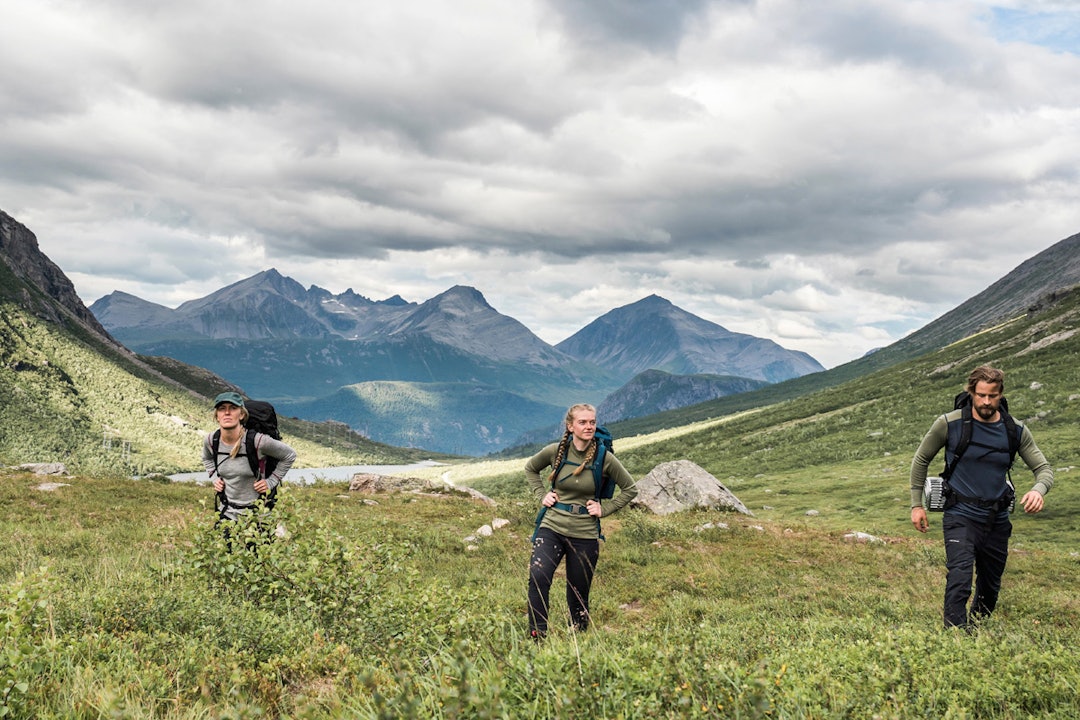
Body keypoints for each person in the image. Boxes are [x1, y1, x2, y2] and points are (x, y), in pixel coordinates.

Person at [909, 365, 1053, 630]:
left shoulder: (1015, 430)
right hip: (960, 515)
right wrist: (916, 504)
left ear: (1001, 394)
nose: (986, 402)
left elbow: (1043, 469)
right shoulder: (949, 424)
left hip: (997, 519)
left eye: (993, 396)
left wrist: (1037, 490)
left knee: (990, 585)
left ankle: (976, 633)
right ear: (971, 392)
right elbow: (921, 459)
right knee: (960, 579)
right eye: (981, 395)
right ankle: (954, 638)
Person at [526, 403, 638, 640]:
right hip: (552, 526)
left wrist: (604, 509)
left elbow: (630, 489)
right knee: (538, 577)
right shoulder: (555, 451)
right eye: (583, 422)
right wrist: (541, 495)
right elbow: (531, 469)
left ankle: (578, 636)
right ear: (570, 426)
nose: (589, 427)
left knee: (578, 592)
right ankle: (538, 635)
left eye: (592, 422)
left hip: (585, 533)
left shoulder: (603, 458)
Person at [202, 391, 296, 525]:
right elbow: (206, 458)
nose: (227, 413)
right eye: (222, 409)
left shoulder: (258, 442)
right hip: (227, 515)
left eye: (233, 408)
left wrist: (270, 482)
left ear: (241, 415)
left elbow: (289, 455)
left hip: (258, 517)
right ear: (217, 415)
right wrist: (214, 478)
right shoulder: (212, 440)